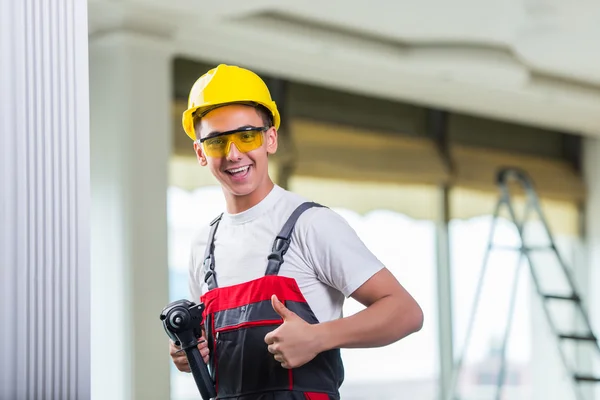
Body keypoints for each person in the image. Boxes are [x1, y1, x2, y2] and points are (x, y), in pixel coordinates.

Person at [169, 64, 424, 399]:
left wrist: (319, 337)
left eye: (247, 136)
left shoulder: (311, 224)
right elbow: (212, 351)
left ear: (270, 138)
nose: (233, 154)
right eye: (217, 142)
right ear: (201, 153)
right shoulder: (204, 245)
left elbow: (405, 312)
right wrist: (191, 353)